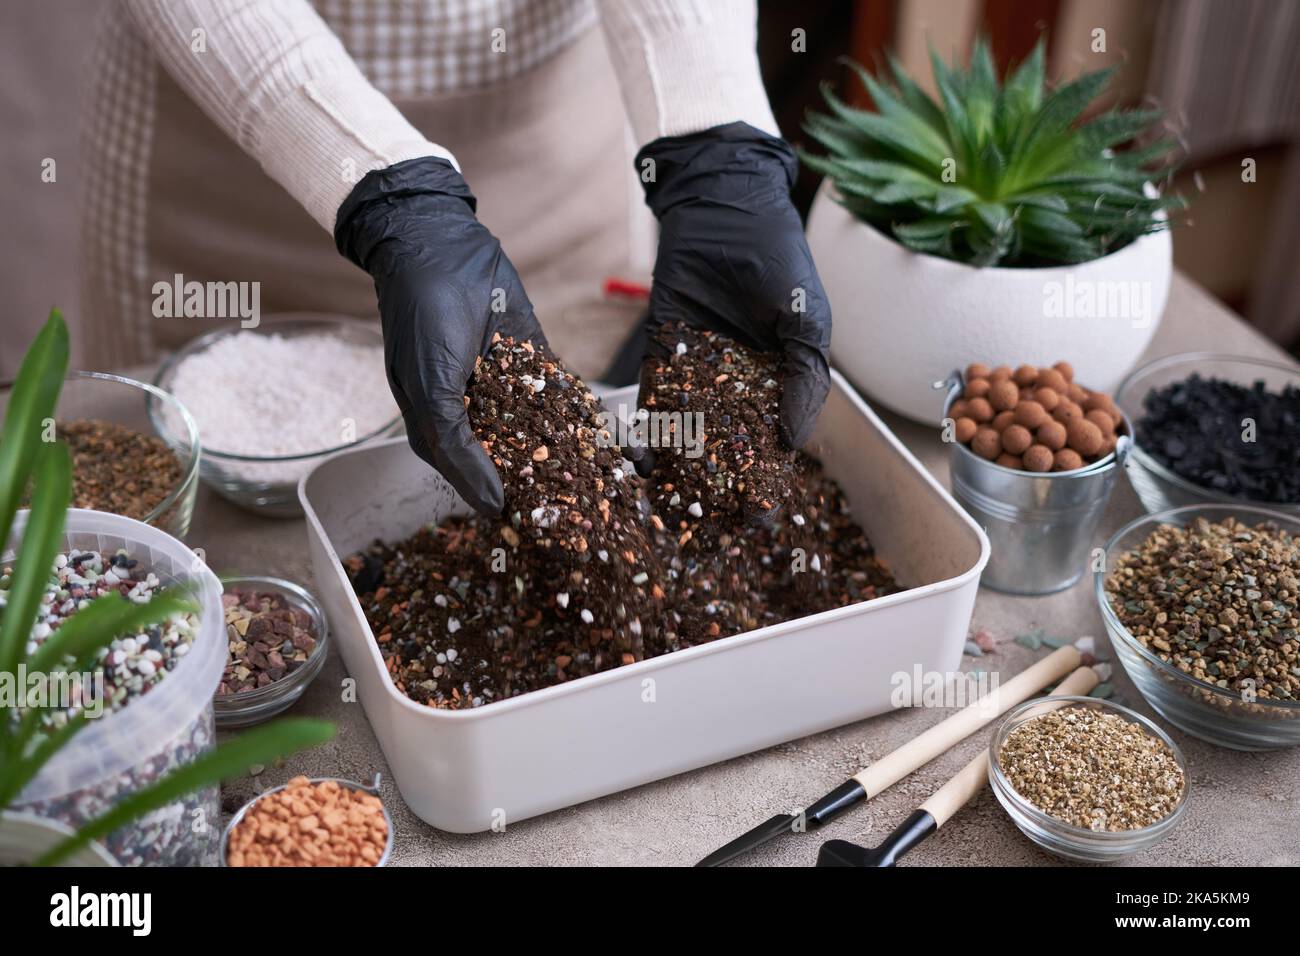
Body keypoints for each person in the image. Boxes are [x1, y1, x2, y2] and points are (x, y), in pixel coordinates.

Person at [91, 0, 831, 514]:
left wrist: (714, 146)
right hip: (246, 136)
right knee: (209, 519)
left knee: (551, 417)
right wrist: (393, 199)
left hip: (554, 138)